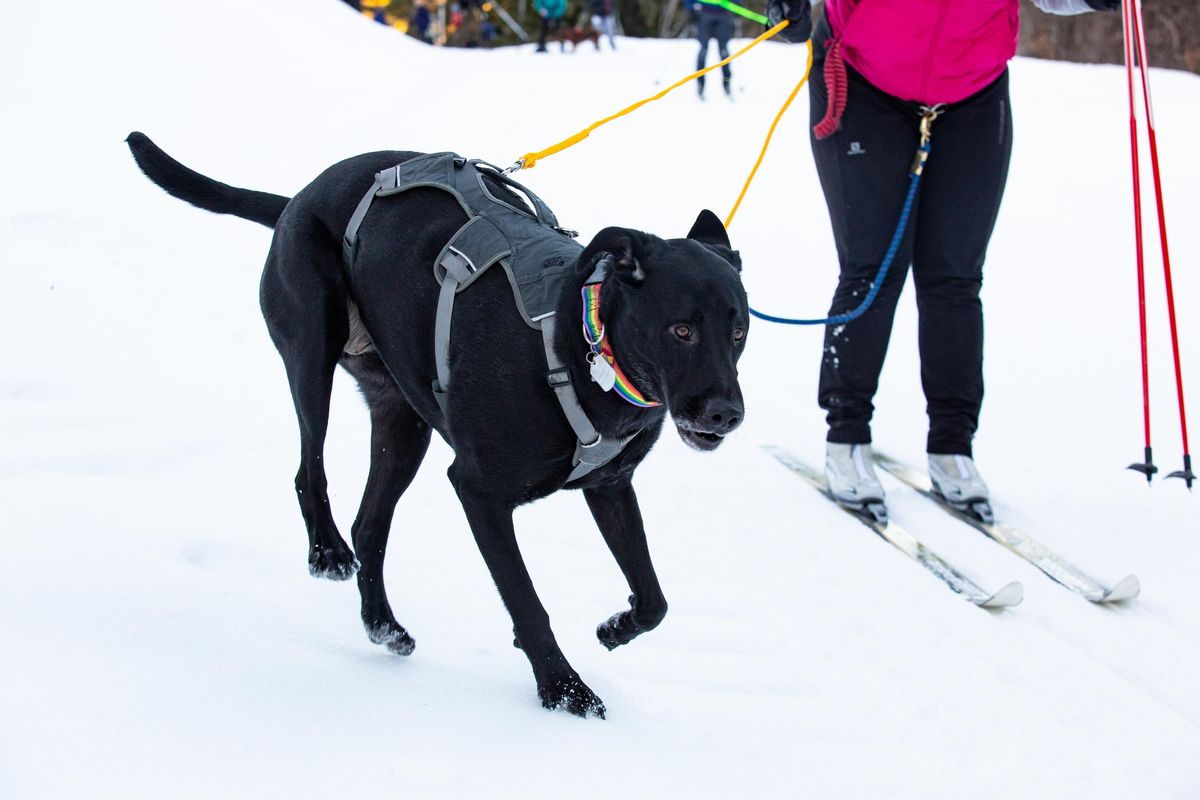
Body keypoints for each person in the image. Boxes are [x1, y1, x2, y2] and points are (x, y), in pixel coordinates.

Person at [764, 0, 1121, 518]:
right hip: (863, 82)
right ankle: (846, 438)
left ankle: (953, 446)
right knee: (873, 268)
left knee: (954, 277)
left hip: (973, 92)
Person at [686, 0, 733, 99]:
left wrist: (736, 5)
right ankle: (700, 84)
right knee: (703, 50)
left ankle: (727, 83)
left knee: (724, 51)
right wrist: (690, 8)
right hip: (704, 14)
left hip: (723, 14)